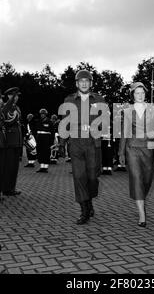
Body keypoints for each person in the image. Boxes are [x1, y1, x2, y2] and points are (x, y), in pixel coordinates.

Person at [59, 69, 106, 225]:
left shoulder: (99, 99)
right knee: (79, 177)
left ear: (90, 83)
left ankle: (90, 200)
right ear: (77, 83)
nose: (84, 83)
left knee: (93, 177)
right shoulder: (69, 100)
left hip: (93, 143)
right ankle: (84, 209)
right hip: (76, 143)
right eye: (81, 81)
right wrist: (61, 143)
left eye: (87, 81)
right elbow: (65, 123)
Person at [118, 82, 154, 227]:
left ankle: (141, 198)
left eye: (142, 93)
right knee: (137, 178)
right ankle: (142, 215)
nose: (140, 95)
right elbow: (124, 133)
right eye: (137, 93)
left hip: (148, 147)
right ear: (132, 95)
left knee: (148, 178)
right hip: (132, 149)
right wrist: (121, 152)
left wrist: (150, 134)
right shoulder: (126, 111)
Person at [1, 87, 23, 196]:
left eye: (17, 96)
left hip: (16, 141)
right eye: (15, 95)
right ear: (9, 96)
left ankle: (11, 188)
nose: (17, 97)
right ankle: (6, 188)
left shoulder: (16, 107)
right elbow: (7, 120)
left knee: (14, 167)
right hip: (9, 141)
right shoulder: (6, 107)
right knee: (8, 166)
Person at [35, 109, 54, 173]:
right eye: (41, 114)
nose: (42, 115)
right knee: (40, 152)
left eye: (43, 114)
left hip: (46, 139)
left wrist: (51, 142)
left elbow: (52, 133)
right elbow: (36, 131)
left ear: (45, 114)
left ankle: (45, 167)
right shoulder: (38, 121)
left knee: (46, 153)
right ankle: (41, 167)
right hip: (39, 139)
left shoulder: (49, 122)